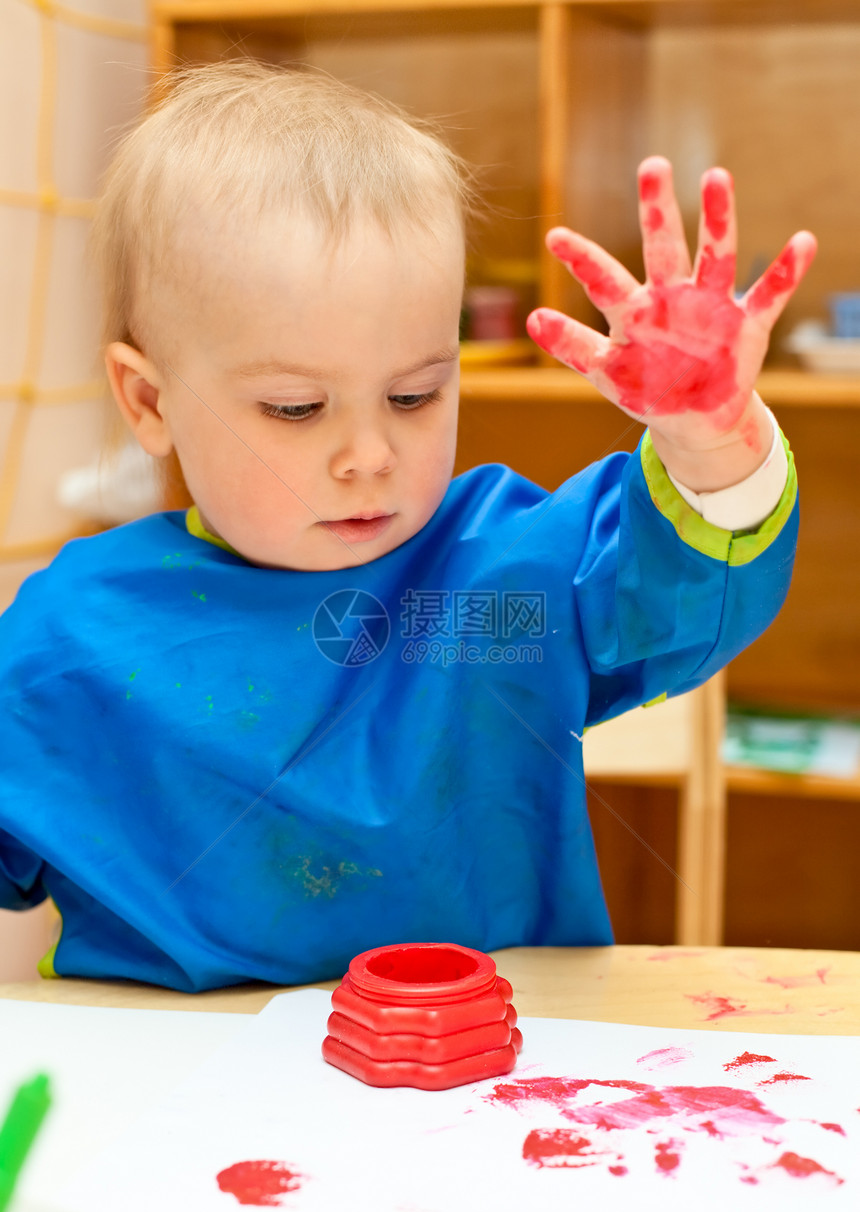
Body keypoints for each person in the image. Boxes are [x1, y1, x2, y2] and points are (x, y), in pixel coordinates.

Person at [0, 63, 816, 991]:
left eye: (414, 395)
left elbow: (685, 587)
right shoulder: (71, 633)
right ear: (149, 401)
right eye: (298, 409)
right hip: (171, 1102)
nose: (369, 455)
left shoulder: (511, 579)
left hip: (483, 1084)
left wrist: (712, 442)